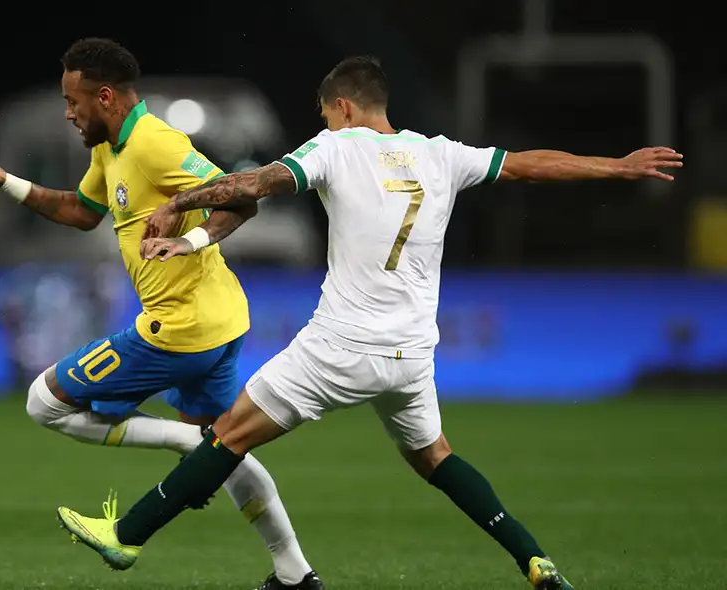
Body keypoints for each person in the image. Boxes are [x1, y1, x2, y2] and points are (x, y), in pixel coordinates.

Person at [56, 55, 684, 589]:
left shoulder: (334, 147)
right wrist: (615, 166)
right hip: (410, 355)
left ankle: (128, 535)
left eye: (326, 113)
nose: (324, 123)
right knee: (436, 457)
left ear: (344, 108)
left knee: (226, 435)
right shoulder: (441, 155)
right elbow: (527, 163)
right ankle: (533, 557)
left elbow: (256, 183)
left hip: (340, 346)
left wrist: (180, 202)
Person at [0, 37, 322, 590]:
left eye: (74, 102)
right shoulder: (110, 149)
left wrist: (190, 240)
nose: (68, 113)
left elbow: (241, 197)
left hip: (179, 330)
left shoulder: (155, 144)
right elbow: (81, 212)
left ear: (105, 97)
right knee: (228, 450)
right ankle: (295, 572)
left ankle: (183, 444)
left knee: (44, 403)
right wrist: (5, 180)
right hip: (219, 323)